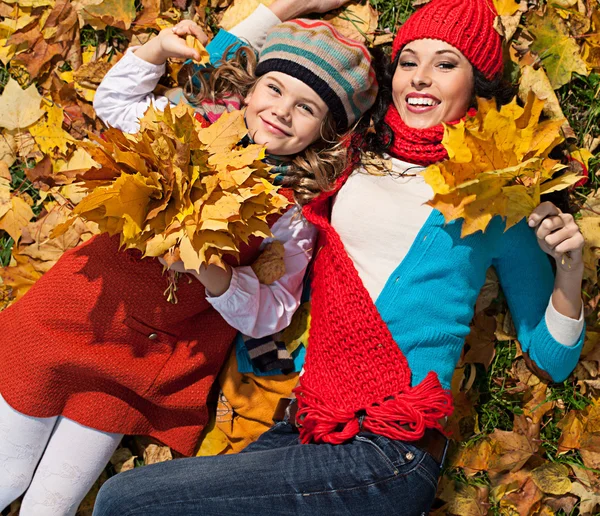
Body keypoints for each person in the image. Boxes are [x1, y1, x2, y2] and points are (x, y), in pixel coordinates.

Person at [91, 0, 586, 514]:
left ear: (477, 82)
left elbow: (552, 357)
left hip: (391, 446)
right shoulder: (351, 151)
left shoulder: (497, 195)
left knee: (124, 501)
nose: (420, 79)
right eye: (409, 61)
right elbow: (221, 85)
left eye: (445, 64)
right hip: (312, 425)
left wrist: (569, 270)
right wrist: (286, 7)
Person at [0, 3, 377, 514]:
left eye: (307, 108)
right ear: (250, 86)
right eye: (275, 88)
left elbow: (275, 311)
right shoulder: (189, 132)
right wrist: (156, 49)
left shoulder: (289, 212)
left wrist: (214, 273)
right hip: (77, 314)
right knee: (8, 474)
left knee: (51, 504)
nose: (282, 111)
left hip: (143, 364)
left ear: (325, 133)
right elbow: (115, 102)